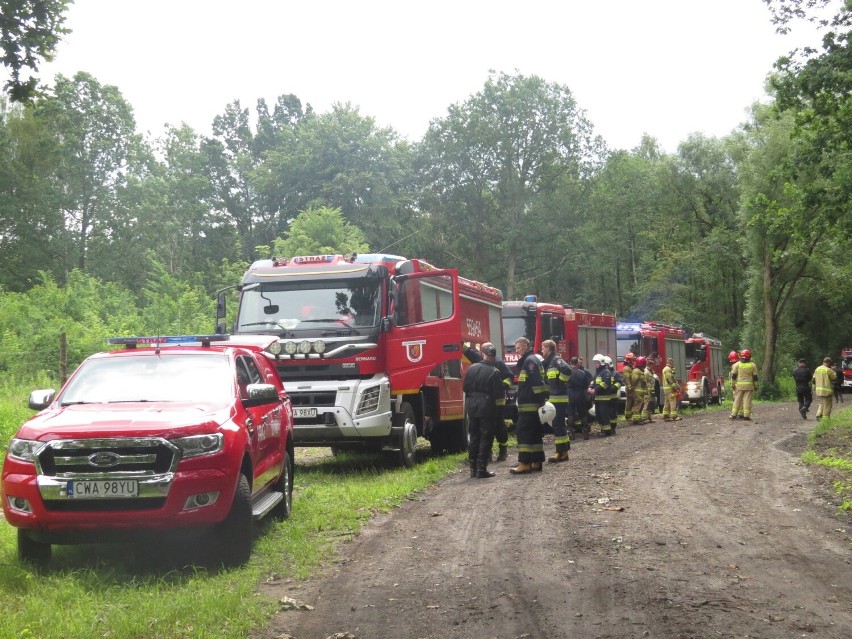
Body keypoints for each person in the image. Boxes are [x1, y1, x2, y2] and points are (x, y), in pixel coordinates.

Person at [463, 351, 505, 479]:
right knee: (486, 437)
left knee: (474, 436)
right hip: (487, 406)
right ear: (493, 357)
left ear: (483, 354)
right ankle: (482, 469)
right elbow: (498, 393)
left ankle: (472, 469)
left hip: (472, 405)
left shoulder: (471, 368)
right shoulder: (494, 371)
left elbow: (465, 388)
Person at [509, 337, 548, 475]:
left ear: (525, 346)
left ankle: (524, 463)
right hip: (533, 404)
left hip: (529, 405)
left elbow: (536, 383)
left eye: (518, 348)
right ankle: (536, 461)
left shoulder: (529, 361)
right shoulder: (532, 359)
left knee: (523, 433)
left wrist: (539, 399)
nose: (517, 351)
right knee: (535, 434)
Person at [481, 342, 514, 461]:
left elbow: (509, 376)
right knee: (486, 428)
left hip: (498, 401)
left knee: (499, 426)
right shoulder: (481, 363)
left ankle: (503, 451)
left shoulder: (498, 363)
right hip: (485, 402)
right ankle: (488, 452)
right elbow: (470, 353)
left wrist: (502, 386)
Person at [541, 340, 571, 462]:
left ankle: (560, 452)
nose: (541, 351)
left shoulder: (556, 360)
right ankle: (563, 452)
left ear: (548, 348)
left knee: (558, 426)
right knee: (558, 426)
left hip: (559, 399)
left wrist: (560, 382)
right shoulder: (548, 363)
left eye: (543, 348)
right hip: (553, 399)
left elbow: (567, 370)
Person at [590, 354, 616, 435]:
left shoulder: (606, 372)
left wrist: (595, 390)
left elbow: (605, 384)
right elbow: (594, 382)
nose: (595, 364)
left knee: (604, 415)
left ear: (601, 363)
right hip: (598, 398)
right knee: (598, 415)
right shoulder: (598, 372)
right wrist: (590, 387)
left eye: (597, 363)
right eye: (595, 363)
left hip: (604, 398)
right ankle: (603, 429)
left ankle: (607, 431)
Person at [730, 349, 759, 420]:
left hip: (739, 386)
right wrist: (756, 386)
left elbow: (733, 376)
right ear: (749, 357)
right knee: (747, 400)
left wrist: (733, 385)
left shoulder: (737, 365)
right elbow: (755, 377)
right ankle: (746, 415)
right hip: (749, 386)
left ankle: (733, 414)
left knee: (737, 400)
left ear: (741, 356)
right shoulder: (753, 365)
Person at [567, 356, 590, 440]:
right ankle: (585, 432)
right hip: (580, 394)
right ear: (577, 363)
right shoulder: (582, 372)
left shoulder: (568, 372)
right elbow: (586, 384)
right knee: (583, 414)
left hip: (570, 394)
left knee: (571, 414)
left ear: (570, 363)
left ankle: (570, 433)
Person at [661, 357, 682, 422]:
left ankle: (666, 416)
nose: (673, 364)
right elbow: (669, 379)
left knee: (667, 402)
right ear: (670, 362)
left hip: (666, 389)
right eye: (672, 362)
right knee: (673, 401)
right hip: (669, 389)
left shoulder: (666, 369)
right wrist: (675, 387)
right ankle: (674, 416)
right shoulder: (668, 369)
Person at [631, 356, 650, 425]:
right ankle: (636, 420)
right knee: (637, 405)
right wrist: (632, 390)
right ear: (642, 364)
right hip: (637, 392)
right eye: (644, 364)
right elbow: (634, 381)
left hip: (640, 392)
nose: (645, 366)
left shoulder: (640, 371)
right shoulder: (636, 371)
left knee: (640, 405)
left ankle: (638, 419)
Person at [622, 352, 637, 424]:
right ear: (629, 360)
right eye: (632, 360)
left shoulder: (631, 368)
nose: (634, 361)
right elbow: (626, 378)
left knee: (632, 401)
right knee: (629, 402)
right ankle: (628, 416)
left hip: (632, 387)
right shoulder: (626, 369)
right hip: (629, 388)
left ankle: (630, 415)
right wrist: (629, 387)